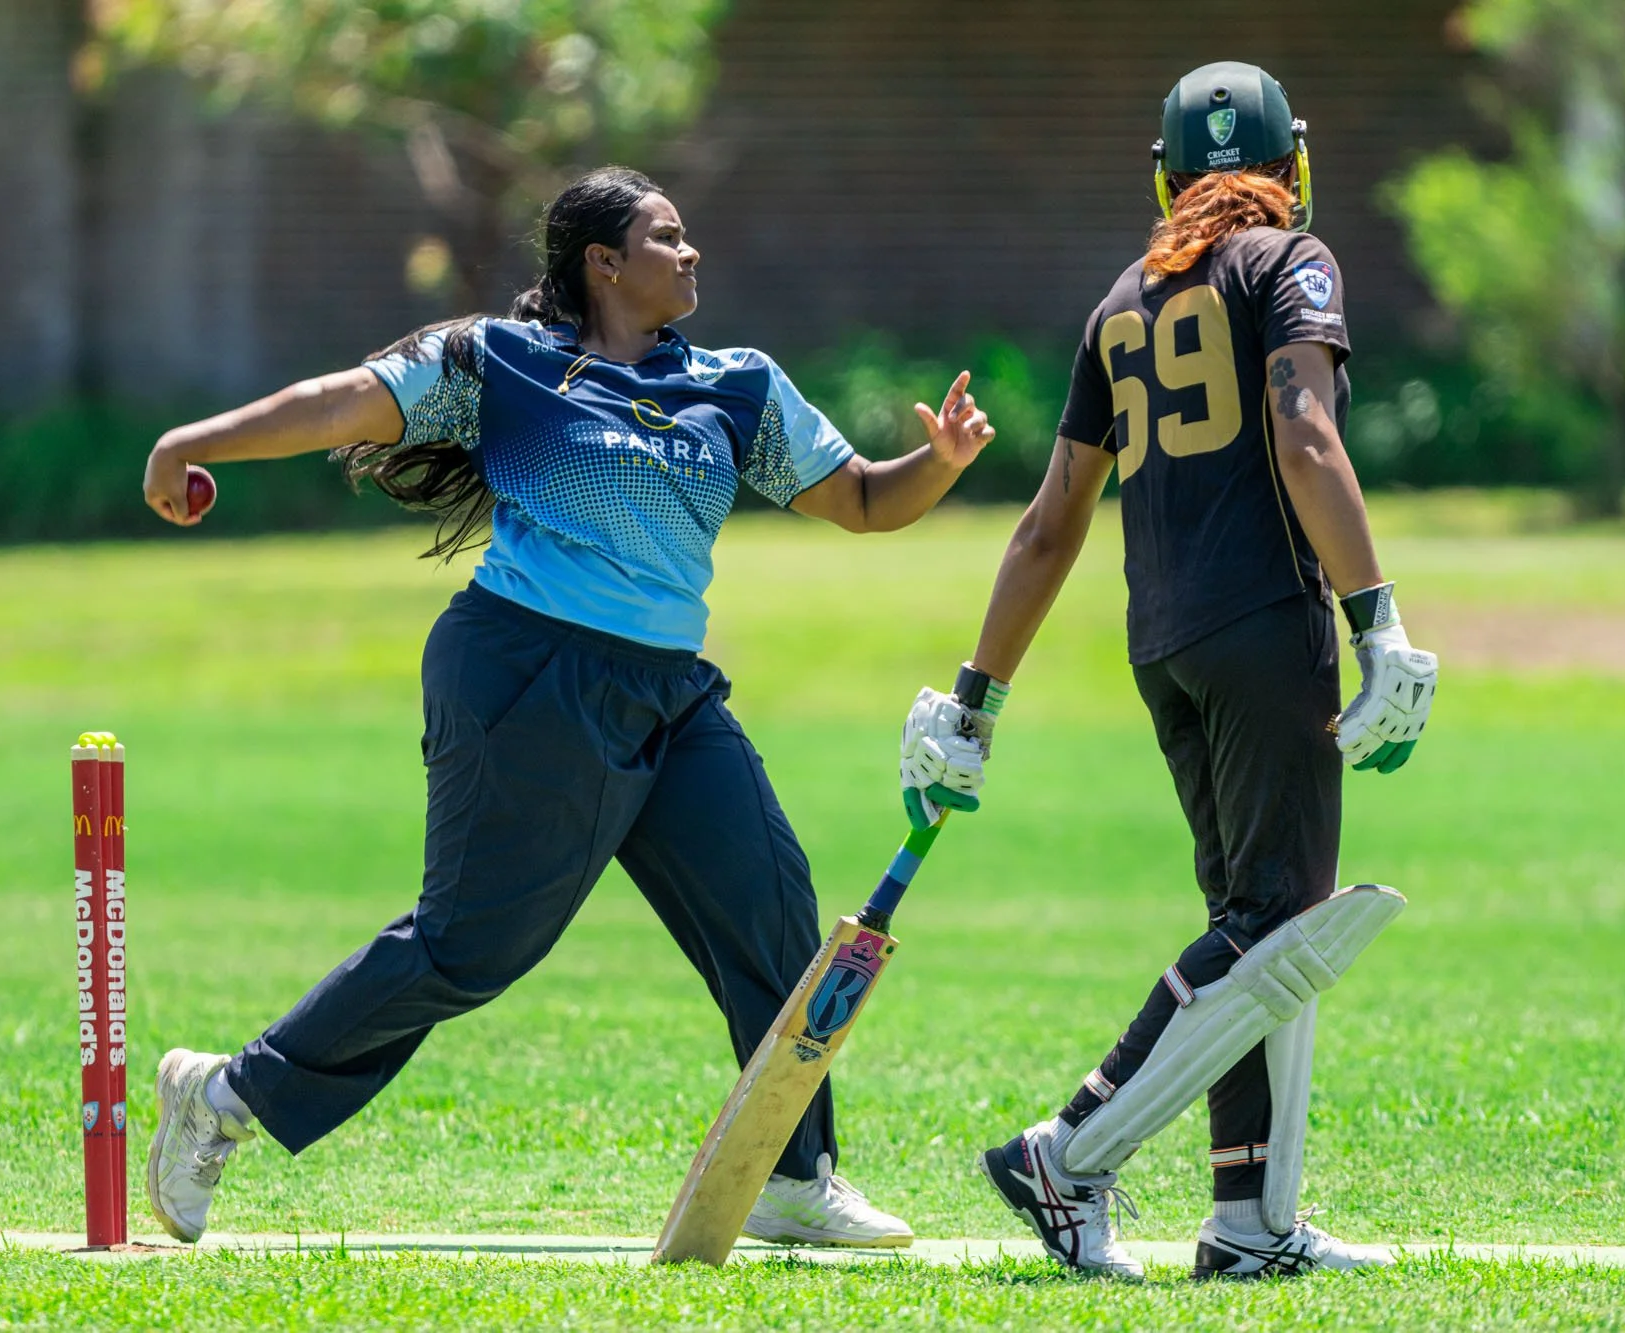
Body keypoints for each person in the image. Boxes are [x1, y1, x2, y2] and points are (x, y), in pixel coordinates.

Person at [138, 166, 995, 1248]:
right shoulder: (499, 361)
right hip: (526, 668)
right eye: (666, 237)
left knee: (770, 910)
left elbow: (864, 498)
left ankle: (790, 1173)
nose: (690, 252)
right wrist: (190, 441)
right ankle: (224, 1096)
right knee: (468, 947)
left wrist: (940, 461)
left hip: (670, 691)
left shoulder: (736, 384)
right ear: (604, 262)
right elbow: (340, 403)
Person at [898, 62, 1438, 1280]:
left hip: (1166, 644)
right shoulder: (1289, 259)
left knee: (1252, 924)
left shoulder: (1119, 301)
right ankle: (1067, 1151)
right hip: (1264, 625)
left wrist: (975, 696)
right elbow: (1305, 435)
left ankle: (1247, 1222)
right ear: (1291, 165)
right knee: (1274, 923)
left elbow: (1049, 524)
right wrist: (1376, 620)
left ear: (1164, 178)